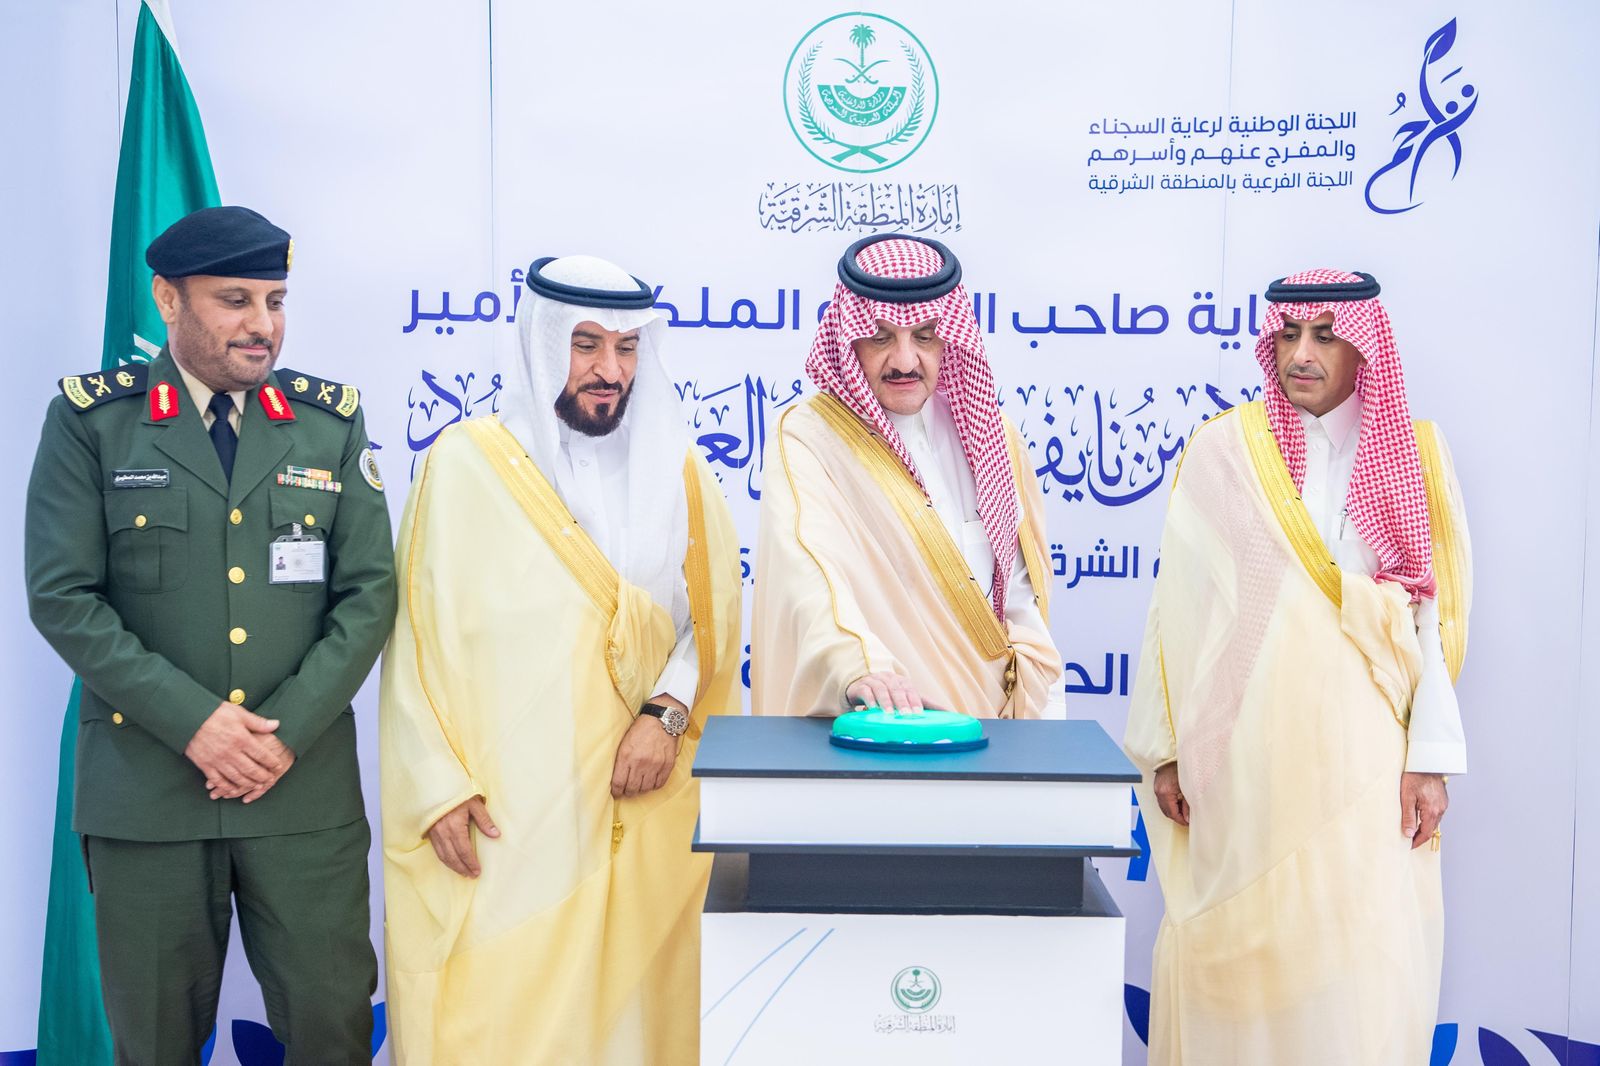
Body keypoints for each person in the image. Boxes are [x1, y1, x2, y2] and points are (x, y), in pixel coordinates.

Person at [25, 205, 397, 1063]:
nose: (262, 324)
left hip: (299, 799)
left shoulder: (328, 423)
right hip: (147, 796)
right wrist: (196, 724)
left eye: (275, 300)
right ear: (168, 299)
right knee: (154, 1042)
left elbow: (369, 593)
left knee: (333, 1031)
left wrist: (282, 734)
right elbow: (64, 596)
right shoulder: (94, 423)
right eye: (235, 300)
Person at [380, 254, 742, 1064]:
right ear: (544, 345)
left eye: (627, 347)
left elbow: (712, 622)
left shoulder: (680, 471)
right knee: (502, 1018)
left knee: (634, 1020)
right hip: (508, 813)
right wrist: (435, 786)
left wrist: (667, 715)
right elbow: (414, 639)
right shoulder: (464, 464)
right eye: (586, 345)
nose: (610, 370)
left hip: (640, 796)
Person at [1124, 269, 1471, 1064]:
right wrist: (1168, 747)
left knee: (1360, 964)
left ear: (1365, 350)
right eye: (1287, 334)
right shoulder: (1224, 451)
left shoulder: (1416, 455)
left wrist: (1430, 759)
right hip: (1242, 763)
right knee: (1242, 963)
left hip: (1366, 764)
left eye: (1324, 336)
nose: (1301, 354)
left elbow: (1435, 619)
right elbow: (1175, 608)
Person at [752, 234, 1064, 718]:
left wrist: (1042, 716)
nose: (903, 361)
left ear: (949, 339)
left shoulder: (991, 433)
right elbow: (808, 567)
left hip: (1000, 728)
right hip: (883, 724)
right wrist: (858, 665)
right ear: (849, 339)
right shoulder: (809, 438)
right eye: (880, 337)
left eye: (924, 336)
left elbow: (1022, 599)